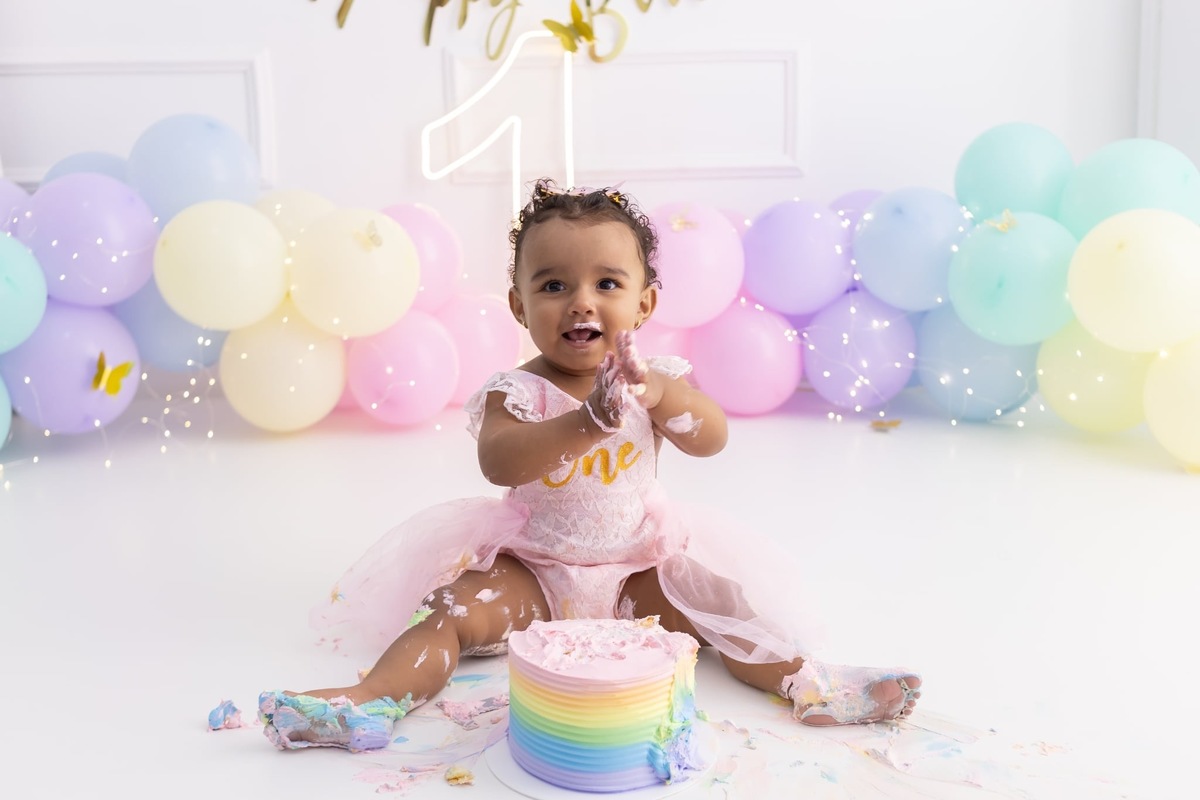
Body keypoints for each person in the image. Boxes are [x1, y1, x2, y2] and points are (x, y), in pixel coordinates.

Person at [258, 179, 921, 752]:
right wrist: (585, 422)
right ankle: (371, 700)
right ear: (519, 305)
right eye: (553, 285)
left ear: (644, 304)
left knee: (724, 605)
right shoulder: (514, 390)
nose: (581, 301)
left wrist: (659, 398)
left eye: (607, 283)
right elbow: (499, 461)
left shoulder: (653, 380)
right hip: (536, 568)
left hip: (638, 565)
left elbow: (709, 437)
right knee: (450, 609)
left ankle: (811, 683)